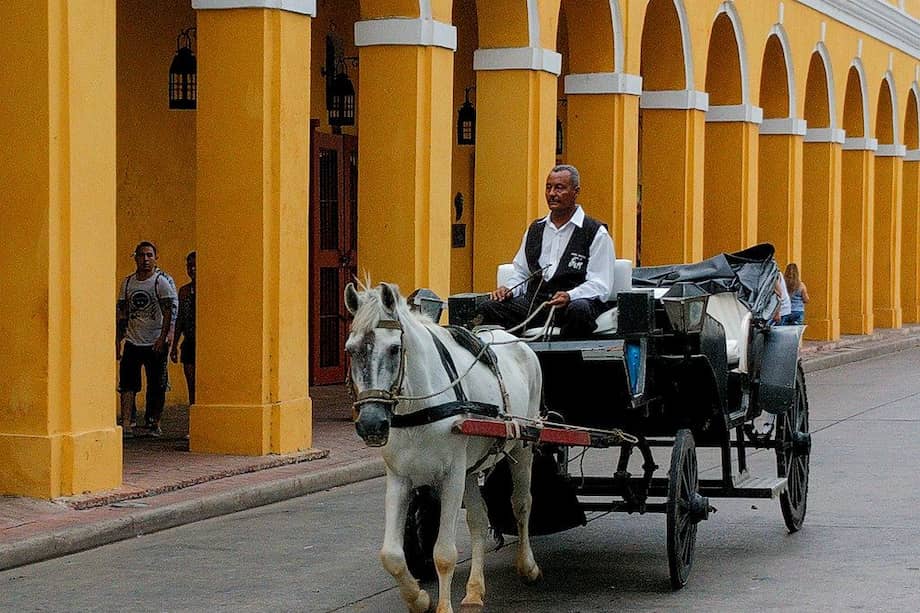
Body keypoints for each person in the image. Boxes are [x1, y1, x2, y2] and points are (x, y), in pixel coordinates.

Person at [476, 164, 616, 338]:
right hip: (537, 305)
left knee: (579, 310)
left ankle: (567, 354)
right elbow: (522, 273)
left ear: (576, 192)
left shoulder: (595, 232)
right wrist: (509, 289)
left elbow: (600, 284)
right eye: (548, 187)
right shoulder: (535, 229)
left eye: (559, 188)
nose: (552, 194)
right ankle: (513, 352)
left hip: (572, 306)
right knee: (489, 307)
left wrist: (570, 295)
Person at [116, 241, 178, 438]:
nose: (145, 259)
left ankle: (154, 422)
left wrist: (163, 337)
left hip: (155, 342)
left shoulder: (161, 282)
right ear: (135, 257)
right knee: (127, 384)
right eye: (141, 255)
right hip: (133, 341)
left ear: (155, 258)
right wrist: (118, 340)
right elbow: (122, 313)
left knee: (157, 384)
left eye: (149, 255)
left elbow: (168, 312)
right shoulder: (127, 283)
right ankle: (127, 422)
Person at [171, 251, 196, 405]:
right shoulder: (184, 291)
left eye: (195, 266)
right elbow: (180, 319)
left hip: (206, 343)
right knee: (191, 384)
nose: (192, 269)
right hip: (189, 342)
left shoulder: (209, 290)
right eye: (189, 266)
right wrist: (174, 345)